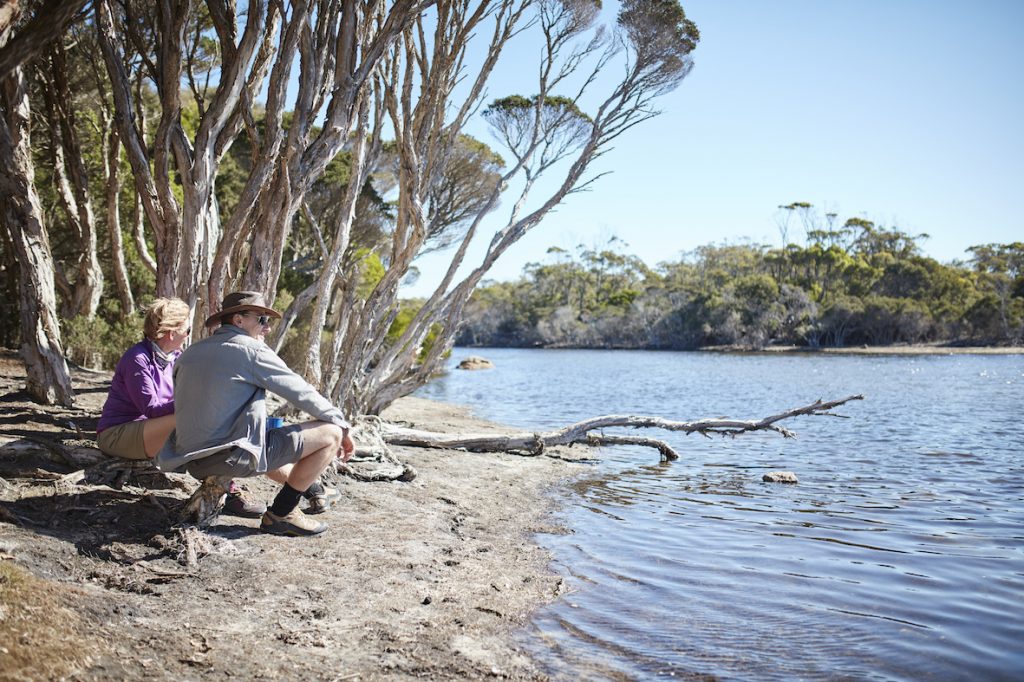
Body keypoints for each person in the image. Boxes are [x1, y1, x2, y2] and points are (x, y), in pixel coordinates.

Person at [155, 291, 354, 536]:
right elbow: (302, 393)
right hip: (230, 458)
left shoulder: (189, 353)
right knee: (331, 434)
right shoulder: (252, 351)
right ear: (239, 320)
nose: (267, 328)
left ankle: (313, 488)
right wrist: (342, 426)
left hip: (191, 460)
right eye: (262, 320)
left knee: (263, 437)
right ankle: (282, 513)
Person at [96, 297, 266, 518]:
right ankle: (227, 492)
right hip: (118, 434)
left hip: (152, 432)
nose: (188, 336)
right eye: (187, 330)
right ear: (171, 333)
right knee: (193, 421)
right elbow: (152, 409)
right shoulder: (137, 359)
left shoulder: (176, 358)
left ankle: (227, 488)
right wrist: (195, 401)